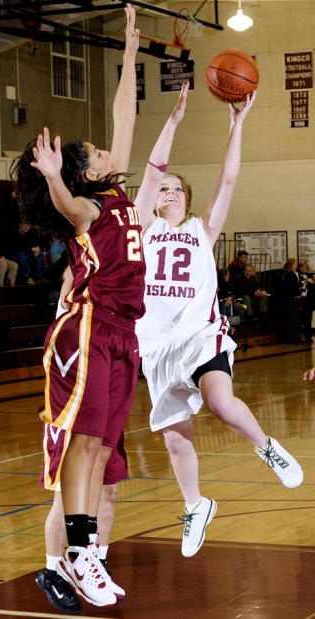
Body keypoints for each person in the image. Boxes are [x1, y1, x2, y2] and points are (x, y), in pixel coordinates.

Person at [13, 3, 188, 606]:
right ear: (85, 174)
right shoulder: (87, 208)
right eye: (95, 151)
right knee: (83, 445)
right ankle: (76, 555)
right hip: (86, 331)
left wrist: (132, 56)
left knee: (102, 447)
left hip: (121, 334)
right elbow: (63, 203)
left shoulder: (114, 194)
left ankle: (83, 555)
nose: (109, 150)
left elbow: (123, 119)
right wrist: (55, 174)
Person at [135, 91, 303, 562]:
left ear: (186, 200)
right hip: (157, 346)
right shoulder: (142, 230)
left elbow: (229, 180)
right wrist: (172, 119)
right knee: (175, 436)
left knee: (220, 402)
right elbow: (150, 170)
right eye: (162, 188)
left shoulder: (201, 230)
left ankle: (266, 447)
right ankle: (197, 505)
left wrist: (237, 124)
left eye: (175, 189)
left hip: (200, 334)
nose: (166, 191)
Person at [35, 268, 127, 613]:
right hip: (72, 414)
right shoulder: (75, 307)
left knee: (109, 490)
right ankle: (52, 569)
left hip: (102, 410)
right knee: (67, 497)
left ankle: (95, 560)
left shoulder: (114, 313)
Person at [282, 258, 302, 344]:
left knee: (295, 318)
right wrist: (300, 288)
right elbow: (293, 287)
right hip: (291, 298)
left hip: (295, 298)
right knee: (292, 318)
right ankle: (292, 337)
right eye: (295, 264)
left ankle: (295, 337)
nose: (296, 266)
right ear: (291, 265)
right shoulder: (289, 275)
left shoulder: (291, 274)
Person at [0, 222, 18, 286]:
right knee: (3, 264)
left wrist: (2, 256)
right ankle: (0, 289)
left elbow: (0, 248)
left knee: (14, 265)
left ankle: (9, 287)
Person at [297, 260, 315, 343]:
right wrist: (306, 281)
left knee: (308, 319)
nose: (303, 269)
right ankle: (299, 337)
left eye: (305, 267)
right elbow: (298, 285)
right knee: (300, 319)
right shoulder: (298, 275)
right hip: (300, 300)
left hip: (308, 300)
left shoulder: (310, 275)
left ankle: (308, 337)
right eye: (301, 267)